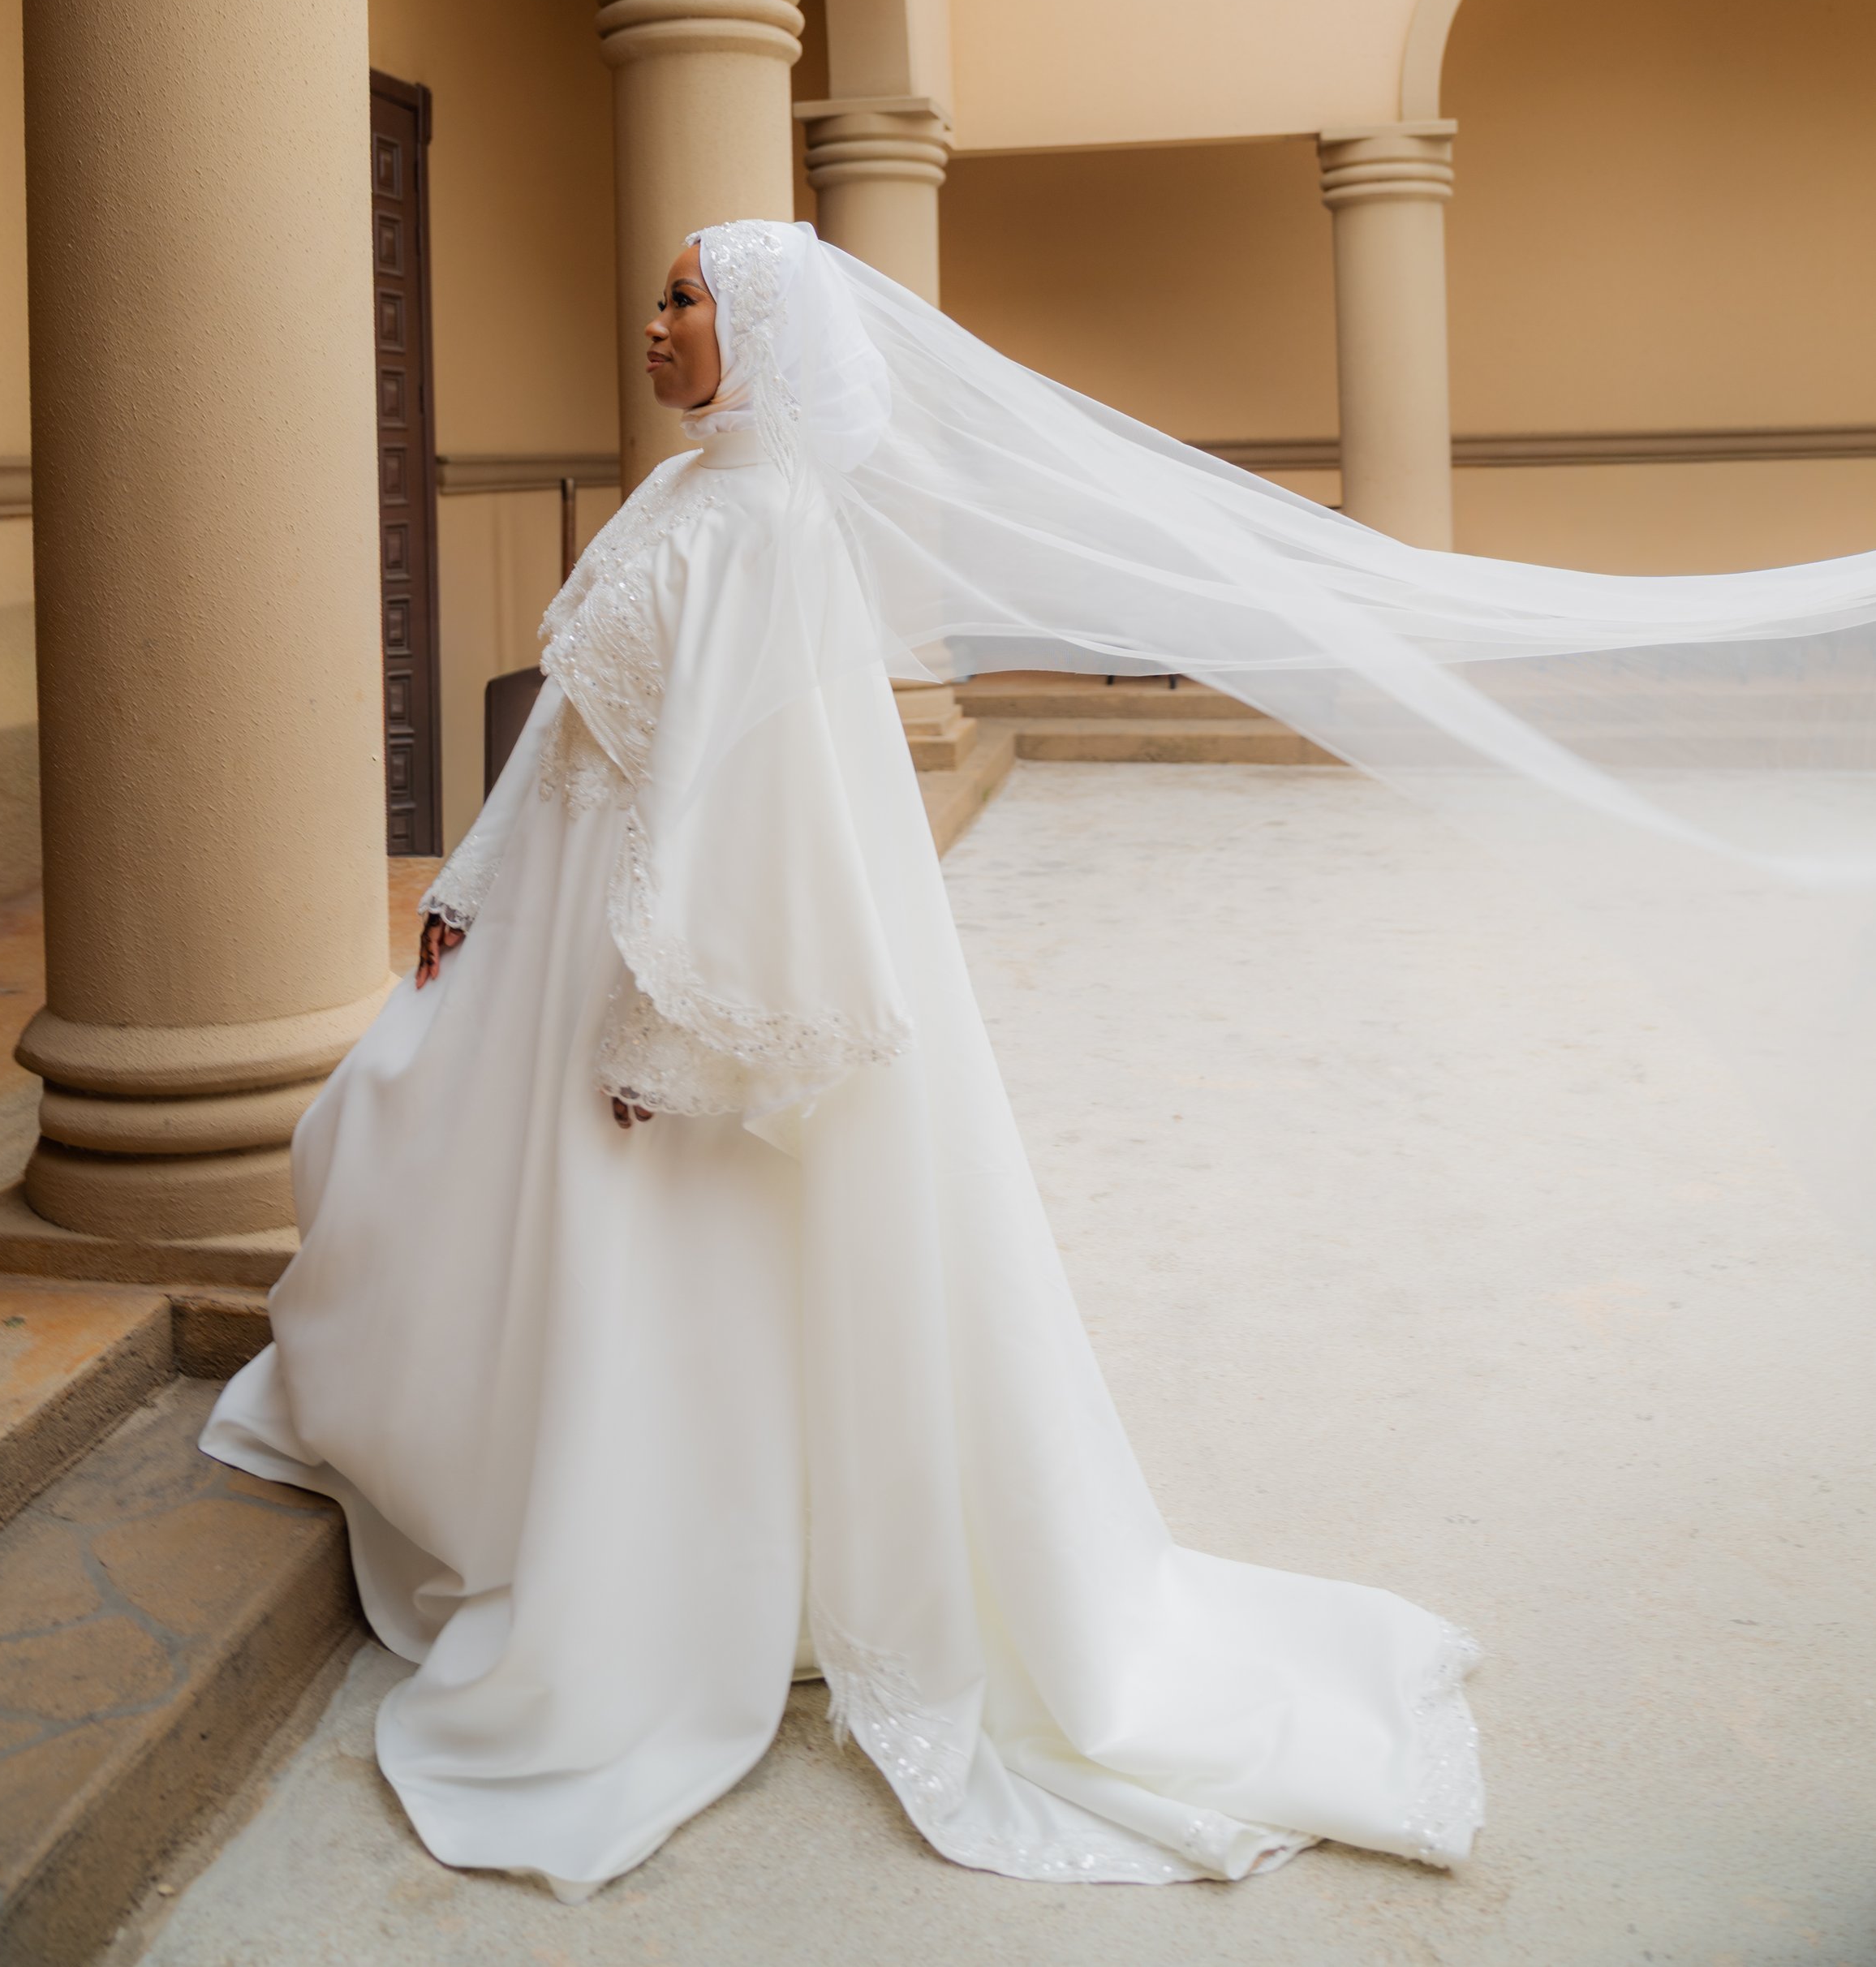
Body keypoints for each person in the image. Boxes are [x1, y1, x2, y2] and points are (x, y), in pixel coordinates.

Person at [204, 216, 1876, 1894]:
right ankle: (513, 1488)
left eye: (685, 301)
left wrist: (666, 1030)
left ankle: (662, 1576)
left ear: (763, 334)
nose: (651, 325)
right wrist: (478, 891)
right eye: (658, 296)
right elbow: (576, 733)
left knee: (661, 1273)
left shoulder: (774, 528)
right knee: (406, 1135)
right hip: (558, 931)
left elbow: (755, 819)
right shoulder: (682, 494)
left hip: (651, 973)